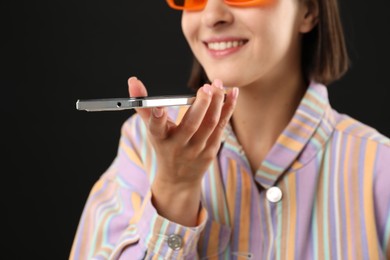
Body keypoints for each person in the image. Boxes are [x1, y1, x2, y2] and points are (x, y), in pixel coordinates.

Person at [70, 0, 390, 259]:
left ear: (309, 10)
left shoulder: (379, 168)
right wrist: (174, 190)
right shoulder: (142, 145)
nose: (212, 15)